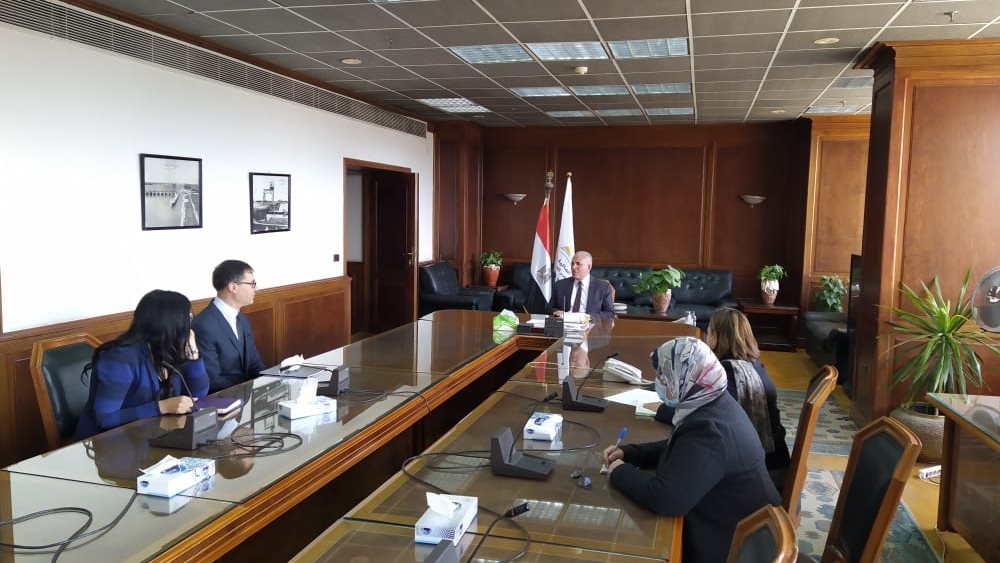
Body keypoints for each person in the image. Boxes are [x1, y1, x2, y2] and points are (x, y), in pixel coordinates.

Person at [603, 337, 780, 563]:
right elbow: (683, 450)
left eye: (664, 376)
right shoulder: (713, 401)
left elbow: (666, 499)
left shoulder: (711, 430)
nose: (659, 382)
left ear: (687, 380)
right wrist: (631, 454)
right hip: (741, 527)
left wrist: (619, 471)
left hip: (733, 547)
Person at [655, 308, 791, 482]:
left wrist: (660, 408)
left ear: (717, 337)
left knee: (675, 469)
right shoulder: (756, 366)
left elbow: (701, 417)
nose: (706, 337)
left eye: (709, 332)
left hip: (762, 471)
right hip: (775, 460)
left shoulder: (729, 374)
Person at [76, 290, 208, 440]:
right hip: (109, 442)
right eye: (188, 318)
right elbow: (105, 418)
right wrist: (162, 407)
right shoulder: (120, 358)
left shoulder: (169, 349)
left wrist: (193, 354)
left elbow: (198, 396)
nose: (190, 326)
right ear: (169, 324)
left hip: (151, 434)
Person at [194, 260, 266, 392]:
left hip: (245, 393)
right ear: (233, 287)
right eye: (252, 284)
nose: (256, 289)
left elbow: (254, 362)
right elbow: (213, 380)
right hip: (222, 398)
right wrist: (248, 384)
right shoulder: (204, 325)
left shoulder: (242, 319)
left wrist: (271, 379)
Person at [548, 251, 614, 319]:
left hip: (589, 323)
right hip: (565, 323)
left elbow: (609, 314)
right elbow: (549, 308)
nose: (573, 267)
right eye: (572, 263)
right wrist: (556, 312)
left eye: (578, 264)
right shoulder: (560, 285)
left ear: (589, 267)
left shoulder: (602, 287)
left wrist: (589, 317)